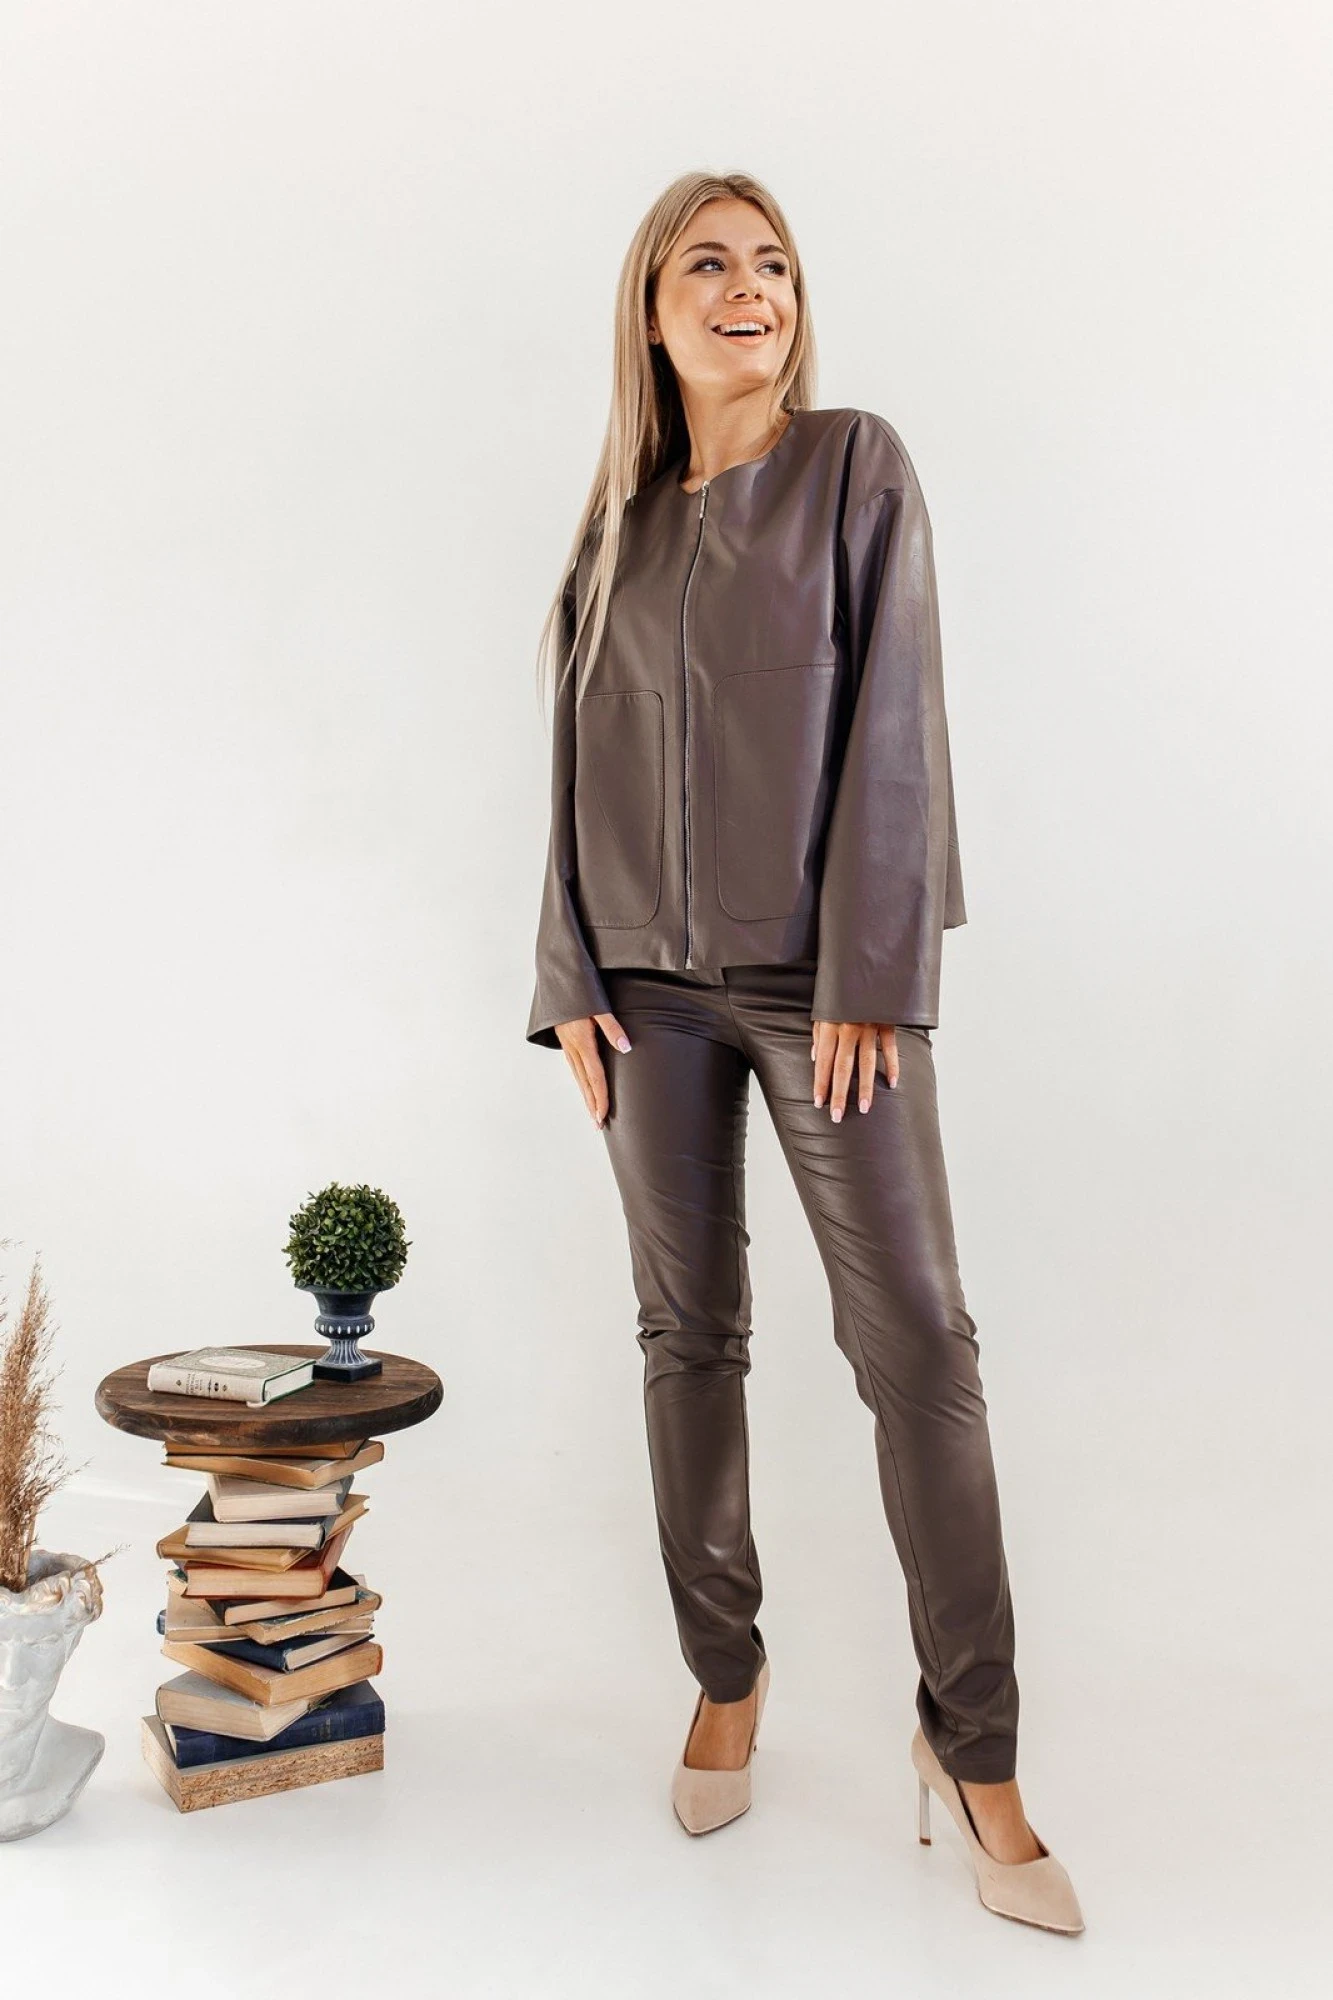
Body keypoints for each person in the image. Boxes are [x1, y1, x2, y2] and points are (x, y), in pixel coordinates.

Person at [524, 170, 1084, 1936]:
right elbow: (569, 758)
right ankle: (727, 1671)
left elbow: (898, 715)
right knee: (687, 1333)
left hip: (825, 990)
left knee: (918, 1343)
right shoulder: (616, 526)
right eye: (708, 263)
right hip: (646, 998)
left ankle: (974, 1749)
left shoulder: (856, 468)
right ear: (654, 310)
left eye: (771, 264)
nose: (747, 288)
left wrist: (872, 974)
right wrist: (567, 974)